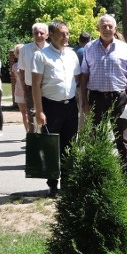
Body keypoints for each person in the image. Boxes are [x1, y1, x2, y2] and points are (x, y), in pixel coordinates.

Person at [80, 14, 127, 184]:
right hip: (96, 98)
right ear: (98, 28)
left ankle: (125, 178)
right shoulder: (89, 48)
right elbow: (84, 76)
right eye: (103, 26)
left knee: (122, 138)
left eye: (110, 26)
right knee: (96, 137)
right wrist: (84, 102)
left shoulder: (124, 48)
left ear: (115, 29)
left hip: (119, 98)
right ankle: (98, 175)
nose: (107, 29)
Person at [32, 20, 81, 198]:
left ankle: (67, 183)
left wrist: (82, 105)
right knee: (52, 147)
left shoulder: (72, 55)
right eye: (62, 34)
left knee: (70, 146)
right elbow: (35, 85)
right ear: (51, 35)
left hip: (70, 106)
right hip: (50, 106)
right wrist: (39, 111)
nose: (66, 37)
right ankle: (53, 184)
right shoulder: (41, 55)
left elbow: (78, 81)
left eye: (67, 33)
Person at [18, 23, 50, 134]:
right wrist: (24, 87)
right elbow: (21, 70)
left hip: (47, 88)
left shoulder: (51, 50)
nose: (39, 35)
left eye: (42, 33)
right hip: (30, 88)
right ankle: (34, 146)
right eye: (36, 33)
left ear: (47, 35)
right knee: (32, 118)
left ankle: (47, 144)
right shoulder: (25, 49)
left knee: (48, 116)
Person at [9, 44, 30, 131]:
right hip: (19, 92)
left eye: (22, 51)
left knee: (32, 113)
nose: (20, 53)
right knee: (24, 114)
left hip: (30, 91)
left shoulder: (31, 64)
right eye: (18, 52)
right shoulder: (14, 66)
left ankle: (35, 132)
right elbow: (16, 79)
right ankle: (28, 133)